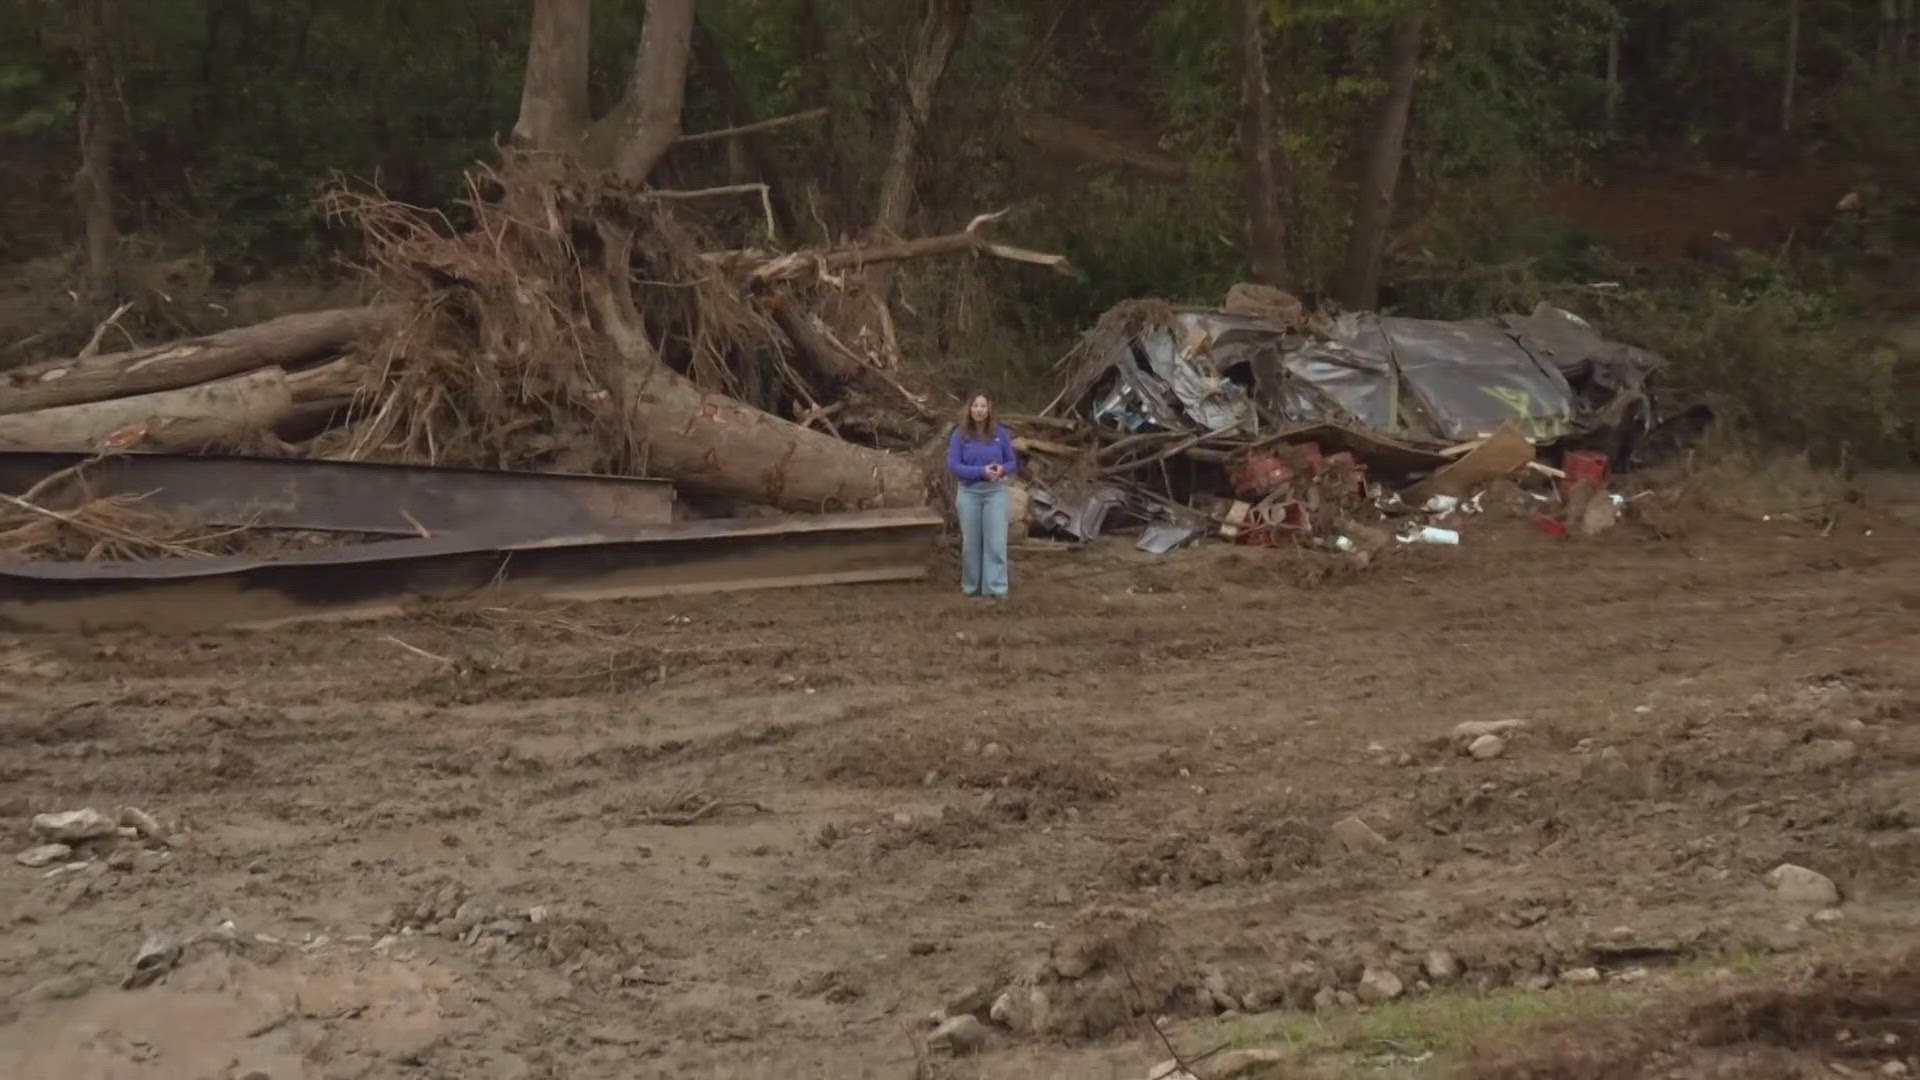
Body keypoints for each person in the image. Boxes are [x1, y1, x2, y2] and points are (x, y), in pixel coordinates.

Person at [946, 393, 1018, 599]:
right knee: (971, 544)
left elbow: (1012, 462)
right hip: (969, 493)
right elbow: (954, 465)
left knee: (995, 542)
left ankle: (996, 588)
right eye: (975, 406)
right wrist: (981, 472)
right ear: (969, 409)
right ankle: (971, 588)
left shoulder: (1000, 434)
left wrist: (1000, 469)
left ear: (989, 409)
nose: (979, 410)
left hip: (994, 493)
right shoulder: (959, 435)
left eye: (983, 406)